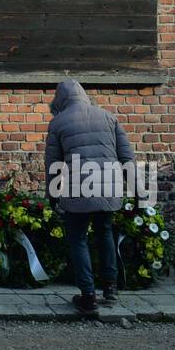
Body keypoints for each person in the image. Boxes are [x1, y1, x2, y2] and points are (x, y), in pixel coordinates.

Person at [44, 79, 137, 316]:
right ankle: (110, 288)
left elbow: (53, 164)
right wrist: (136, 189)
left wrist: (52, 194)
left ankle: (88, 296)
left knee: (78, 239)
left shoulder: (58, 123)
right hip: (108, 186)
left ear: (61, 99)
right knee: (105, 233)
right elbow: (126, 156)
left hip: (79, 188)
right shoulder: (108, 116)